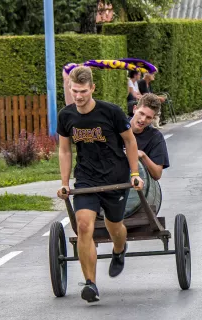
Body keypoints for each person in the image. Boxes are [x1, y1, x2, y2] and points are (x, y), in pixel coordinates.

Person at [56, 66, 144, 303]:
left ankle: (118, 249)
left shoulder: (111, 112)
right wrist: (64, 183)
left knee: (115, 226)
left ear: (92, 88)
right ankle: (91, 284)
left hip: (115, 178)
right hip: (86, 178)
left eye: (83, 91)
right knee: (84, 226)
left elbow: (130, 142)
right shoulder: (66, 116)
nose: (78, 96)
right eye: (74, 91)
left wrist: (134, 173)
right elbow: (65, 151)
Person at [129, 94, 170, 181]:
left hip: (141, 183)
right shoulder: (119, 127)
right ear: (134, 109)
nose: (143, 119)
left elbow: (157, 175)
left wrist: (143, 156)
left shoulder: (156, 137)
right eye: (141, 113)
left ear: (153, 119)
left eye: (148, 117)